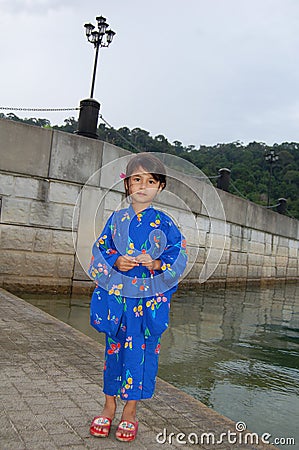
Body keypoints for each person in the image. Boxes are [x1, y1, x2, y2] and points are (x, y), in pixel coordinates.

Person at [88, 153, 188, 442]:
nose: (143, 185)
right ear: (128, 185)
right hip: (118, 300)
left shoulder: (165, 223)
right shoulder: (116, 219)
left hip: (148, 302)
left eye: (151, 180)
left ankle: (130, 411)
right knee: (113, 351)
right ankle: (109, 406)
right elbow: (100, 249)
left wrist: (157, 264)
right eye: (137, 179)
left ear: (161, 187)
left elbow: (178, 255)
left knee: (143, 354)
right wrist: (116, 261)